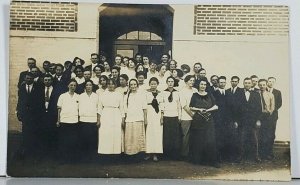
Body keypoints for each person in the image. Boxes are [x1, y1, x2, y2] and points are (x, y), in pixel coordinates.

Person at [189, 79, 219, 168]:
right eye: (201, 84)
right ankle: (198, 160)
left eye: (204, 84)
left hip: (208, 119)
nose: (203, 86)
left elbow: (216, 106)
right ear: (198, 85)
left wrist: (208, 110)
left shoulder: (210, 95)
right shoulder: (194, 95)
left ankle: (211, 161)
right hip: (198, 120)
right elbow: (191, 107)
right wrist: (199, 109)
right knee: (198, 140)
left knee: (210, 140)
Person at [16, 72, 43, 159]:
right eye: (27, 78)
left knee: (35, 132)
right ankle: (25, 150)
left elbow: (40, 101)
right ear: (24, 79)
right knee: (25, 132)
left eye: (30, 78)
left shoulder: (38, 87)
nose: (29, 80)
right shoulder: (22, 87)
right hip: (25, 114)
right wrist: (19, 112)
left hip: (35, 115)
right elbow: (20, 101)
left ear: (33, 79)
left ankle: (34, 151)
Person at [237, 77, 262, 162]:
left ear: (251, 84)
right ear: (243, 84)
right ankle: (240, 156)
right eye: (246, 83)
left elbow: (259, 108)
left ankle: (256, 156)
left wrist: (258, 120)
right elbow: (235, 108)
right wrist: (236, 121)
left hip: (253, 121)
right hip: (242, 121)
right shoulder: (239, 93)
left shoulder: (256, 94)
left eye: (249, 83)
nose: (247, 84)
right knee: (241, 139)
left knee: (254, 140)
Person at [98, 79, 125, 155]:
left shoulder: (119, 95)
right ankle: (105, 153)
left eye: (112, 84)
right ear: (107, 85)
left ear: (115, 85)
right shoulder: (102, 95)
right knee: (106, 133)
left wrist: (123, 119)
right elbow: (99, 108)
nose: (110, 85)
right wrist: (98, 120)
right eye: (109, 84)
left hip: (116, 115)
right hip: (105, 115)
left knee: (116, 133)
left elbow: (122, 108)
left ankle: (116, 153)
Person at [56, 79, 80, 163]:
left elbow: (79, 110)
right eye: (71, 85)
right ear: (68, 86)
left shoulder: (78, 96)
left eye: (74, 85)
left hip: (74, 121)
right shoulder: (62, 96)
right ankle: (63, 159)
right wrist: (58, 120)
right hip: (64, 121)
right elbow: (59, 109)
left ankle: (72, 159)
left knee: (73, 141)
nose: (73, 87)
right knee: (63, 140)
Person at [123, 79, 147, 157]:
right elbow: (125, 108)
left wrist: (145, 119)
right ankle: (130, 154)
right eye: (131, 85)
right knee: (130, 138)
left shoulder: (141, 94)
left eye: (134, 84)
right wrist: (125, 118)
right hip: (129, 119)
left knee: (138, 137)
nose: (133, 86)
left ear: (137, 85)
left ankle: (138, 154)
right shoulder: (127, 95)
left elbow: (144, 108)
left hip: (139, 118)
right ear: (129, 86)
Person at [39, 74, 60, 158]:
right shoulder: (39, 90)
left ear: (52, 81)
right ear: (43, 81)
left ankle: (52, 153)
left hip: (52, 115)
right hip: (42, 115)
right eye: (46, 80)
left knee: (53, 133)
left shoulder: (57, 90)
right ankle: (44, 152)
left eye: (49, 80)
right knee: (43, 133)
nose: (47, 81)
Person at [78, 80, 99, 161]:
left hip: (93, 120)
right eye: (87, 85)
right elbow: (78, 108)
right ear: (85, 87)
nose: (89, 87)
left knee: (93, 139)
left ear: (92, 86)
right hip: (83, 120)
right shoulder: (81, 96)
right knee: (84, 139)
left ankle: (92, 158)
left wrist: (97, 120)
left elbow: (98, 108)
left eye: (90, 85)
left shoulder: (96, 96)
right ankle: (84, 158)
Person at [162, 76, 182, 160]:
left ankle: (174, 155)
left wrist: (179, 116)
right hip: (166, 116)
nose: (170, 83)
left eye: (172, 81)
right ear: (166, 82)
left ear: (174, 83)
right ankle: (166, 155)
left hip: (175, 116)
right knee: (166, 136)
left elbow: (179, 106)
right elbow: (162, 105)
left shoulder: (177, 93)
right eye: (169, 81)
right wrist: (162, 116)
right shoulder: (163, 92)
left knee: (175, 136)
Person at [144, 77, 164, 161]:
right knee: (149, 133)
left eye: (155, 84)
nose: (153, 85)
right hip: (149, 113)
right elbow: (144, 106)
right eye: (151, 84)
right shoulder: (146, 93)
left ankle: (155, 153)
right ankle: (149, 153)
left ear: (157, 84)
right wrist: (145, 117)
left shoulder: (160, 93)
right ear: (149, 84)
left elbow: (162, 106)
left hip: (157, 114)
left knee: (157, 133)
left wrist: (161, 117)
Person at [179, 75, 197, 160]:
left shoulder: (195, 90)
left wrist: (196, 115)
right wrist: (192, 115)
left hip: (196, 116)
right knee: (185, 135)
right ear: (186, 81)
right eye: (190, 80)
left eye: (193, 81)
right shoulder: (182, 91)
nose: (192, 82)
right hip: (186, 116)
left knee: (194, 136)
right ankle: (184, 154)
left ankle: (193, 154)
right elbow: (184, 105)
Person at [257, 79, 275, 160]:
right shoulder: (256, 94)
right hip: (259, 116)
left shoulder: (270, 95)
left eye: (263, 85)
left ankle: (266, 154)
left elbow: (272, 107)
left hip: (267, 117)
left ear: (266, 84)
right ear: (258, 85)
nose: (262, 86)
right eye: (260, 85)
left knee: (266, 135)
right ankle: (259, 154)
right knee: (259, 135)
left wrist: (269, 114)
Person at [266, 77, 282, 159]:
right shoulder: (262, 90)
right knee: (263, 133)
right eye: (269, 81)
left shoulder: (277, 92)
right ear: (267, 82)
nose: (271, 83)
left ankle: (270, 152)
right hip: (263, 116)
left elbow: (279, 104)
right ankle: (263, 152)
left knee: (271, 134)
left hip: (273, 116)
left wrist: (271, 110)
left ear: (274, 83)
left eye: (272, 82)